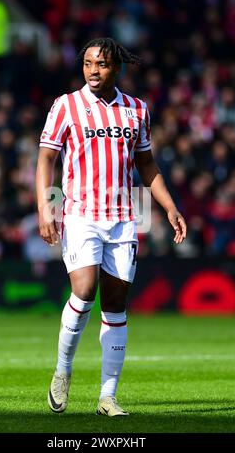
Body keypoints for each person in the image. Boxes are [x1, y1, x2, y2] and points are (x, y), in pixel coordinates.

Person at [36, 38, 187, 417]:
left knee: (116, 305)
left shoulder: (137, 110)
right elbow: (46, 159)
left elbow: (147, 165)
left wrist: (169, 207)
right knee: (84, 290)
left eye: (101, 64)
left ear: (116, 67)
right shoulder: (66, 105)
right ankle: (62, 371)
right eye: (87, 63)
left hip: (124, 217)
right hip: (81, 214)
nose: (93, 70)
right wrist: (45, 208)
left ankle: (108, 396)